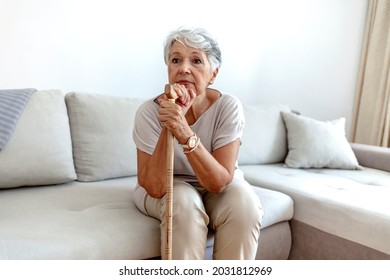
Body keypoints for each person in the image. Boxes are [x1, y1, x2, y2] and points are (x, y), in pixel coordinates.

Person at [132, 26, 263, 260]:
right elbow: (153, 187)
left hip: (215, 183)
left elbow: (220, 181)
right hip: (168, 186)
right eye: (176, 60)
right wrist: (169, 125)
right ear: (168, 69)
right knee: (182, 200)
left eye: (196, 61)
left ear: (213, 74)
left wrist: (183, 131)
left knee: (245, 205)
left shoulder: (227, 107)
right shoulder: (148, 113)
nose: (184, 68)